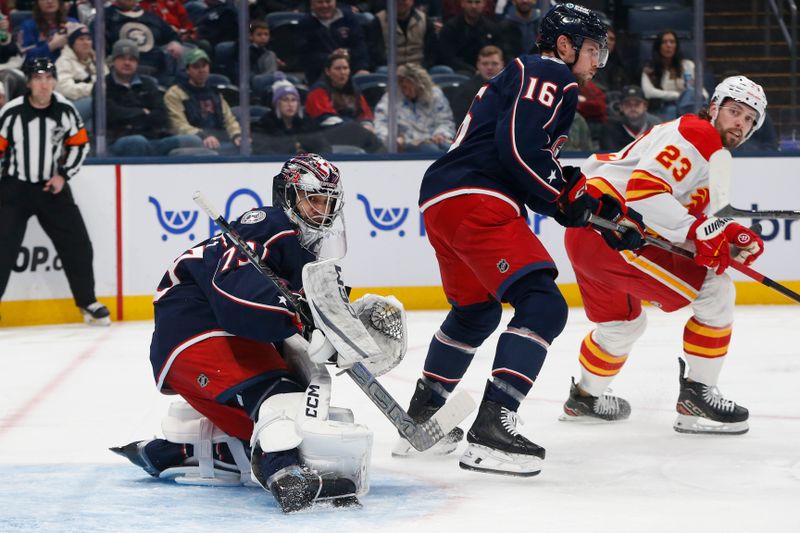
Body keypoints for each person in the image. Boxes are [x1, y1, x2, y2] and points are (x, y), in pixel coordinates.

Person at [394, 4, 645, 476]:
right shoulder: (550, 71)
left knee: (475, 311)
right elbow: (520, 150)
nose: (596, 64)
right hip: (477, 197)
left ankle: (422, 417)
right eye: (593, 51)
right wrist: (569, 197)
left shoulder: (527, 75)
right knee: (543, 305)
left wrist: (589, 209)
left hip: (444, 198)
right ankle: (492, 427)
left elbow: (528, 166)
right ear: (565, 45)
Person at [112, 153, 406, 512]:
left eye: (328, 202)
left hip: (207, 336)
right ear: (287, 195)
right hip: (196, 331)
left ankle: (176, 451)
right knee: (280, 399)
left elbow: (312, 303)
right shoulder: (270, 223)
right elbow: (232, 293)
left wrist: (344, 327)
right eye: (312, 199)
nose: (320, 210)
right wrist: (297, 318)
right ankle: (284, 473)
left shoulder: (303, 253)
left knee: (291, 407)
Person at [559, 76, 768, 436]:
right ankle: (697, 399)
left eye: (750, 119)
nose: (741, 123)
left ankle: (585, 398)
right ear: (715, 108)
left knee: (622, 324)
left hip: (590, 231)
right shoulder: (700, 135)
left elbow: (678, 211)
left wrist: (725, 237)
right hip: (614, 233)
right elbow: (645, 192)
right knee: (715, 290)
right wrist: (697, 234)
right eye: (735, 112)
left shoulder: (705, 147)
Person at [0, 58, 109, 325]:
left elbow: (80, 145)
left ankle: (87, 302)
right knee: (3, 248)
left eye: (49, 77)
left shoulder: (65, 109)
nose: (44, 84)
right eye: (38, 78)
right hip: (15, 188)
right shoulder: (12, 112)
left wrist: (63, 175)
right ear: (28, 83)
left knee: (78, 244)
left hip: (52, 186)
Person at [105, 40, 205, 156]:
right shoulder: (104, 84)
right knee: (137, 142)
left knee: (192, 140)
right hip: (119, 140)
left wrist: (133, 116)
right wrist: (143, 112)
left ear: (137, 63)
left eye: (132, 59)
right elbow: (112, 113)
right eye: (122, 58)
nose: (127, 63)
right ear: (113, 61)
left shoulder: (148, 83)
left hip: (153, 139)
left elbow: (161, 115)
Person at [164, 48, 242, 154]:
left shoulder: (215, 94)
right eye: (196, 66)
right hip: (192, 143)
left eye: (204, 66)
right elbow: (178, 125)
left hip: (219, 140)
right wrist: (202, 135)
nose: (201, 70)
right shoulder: (175, 93)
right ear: (187, 70)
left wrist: (236, 135)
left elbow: (229, 120)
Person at [305, 51, 384, 153]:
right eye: (338, 69)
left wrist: (367, 125)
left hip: (355, 132)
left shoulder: (353, 90)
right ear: (328, 71)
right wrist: (356, 127)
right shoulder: (318, 91)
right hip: (325, 136)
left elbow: (365, 115)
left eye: (345, 68)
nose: (342, 72)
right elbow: (326, 119)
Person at [373, 63, 455, 153]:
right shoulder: (391, 98)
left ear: (418, 84)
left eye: (408, 87)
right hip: (406, 144)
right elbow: (380, 123)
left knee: (448, 148)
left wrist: (441, 134)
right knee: (430, 150)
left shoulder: (435, 95)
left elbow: (445, 122)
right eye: (403, 87)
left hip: (432, 140)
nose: (405, 92)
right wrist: (391, 140)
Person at [252, 75, 331, 154]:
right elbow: (262, 151)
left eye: (293, 100)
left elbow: (324, 148)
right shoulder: (265, 124)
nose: (290, 104)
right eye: (285, 100)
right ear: (277, 104)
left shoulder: (307, 123)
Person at [297, 0, 370, 84]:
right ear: (312, 4)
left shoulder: (349, 18)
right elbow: (304, 56)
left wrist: (362, 68)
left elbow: (359, 45)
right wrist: (331, 57)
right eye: (320, 2)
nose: (324, 5)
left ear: (335, 2)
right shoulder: (305, 23)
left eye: (328, 1)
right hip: (319, 74)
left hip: (351, 70)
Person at [641, 30, 704, 121]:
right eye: (664, 42)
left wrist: (702, 96)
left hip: (687, 106)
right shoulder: (650, 69)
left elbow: (699, 89)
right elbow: (648, 92)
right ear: (658, 46)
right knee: (671, 110)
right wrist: (676, 95)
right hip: (662, 108)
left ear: (676, 46)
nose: (668, 45)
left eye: (672, 42)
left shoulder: (687, 65)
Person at [55, 24, 107, 126]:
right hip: (69, 106)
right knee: (95, 102)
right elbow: (65, 89)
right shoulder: (63, 62)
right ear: (72, 43)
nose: (86, 43)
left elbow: (108, 80)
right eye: (81, 39)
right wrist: (94, 89)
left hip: (94, 104)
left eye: (88, 39)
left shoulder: (96, 60)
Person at [438, 0, 506, 75]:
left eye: (477, 2)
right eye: (469, 2)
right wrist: (473, 71)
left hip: (488, 71)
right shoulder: (450, 28)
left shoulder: (492, 28)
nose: (473, 6)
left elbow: (501, 53)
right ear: (463, 4)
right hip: (459, 72)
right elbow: (448, 58)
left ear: (484, 4)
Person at [368, 0, 439, 70]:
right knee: (382, 70)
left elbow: (431, 52)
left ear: (412, 1)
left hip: (420, 68)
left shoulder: (424, 20)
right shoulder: (378, 21)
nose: (400, 2)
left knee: (442, 70)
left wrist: (421, 69)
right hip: (391, 71)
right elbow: (377, 54)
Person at [449, 44, 505, 125]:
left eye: (494, 64)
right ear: (478, 65)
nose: (489, 67)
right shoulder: (465, 89)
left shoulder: (512, 88)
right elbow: (461, 121)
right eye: (485, 64)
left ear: (502, 65)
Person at [598, 84, 661, 152]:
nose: (633, 108)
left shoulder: (656, 127)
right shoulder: (609, 129)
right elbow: (608, 156)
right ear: (621, 107)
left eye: (637, 104)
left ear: (645, 106)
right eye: (628, 104)